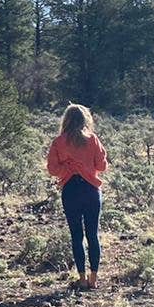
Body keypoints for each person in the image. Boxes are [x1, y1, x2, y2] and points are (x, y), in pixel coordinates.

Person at [45, 103, 108, 290]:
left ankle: (81, 279)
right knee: (93, 235)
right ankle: (94, 279)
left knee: (76, 236)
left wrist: (68, 167)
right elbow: (101, 167)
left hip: (70, 190)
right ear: (85, 119)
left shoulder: (58, 142)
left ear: (66, 120)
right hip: (91, 190)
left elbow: (52, 169)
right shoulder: (92, 139)